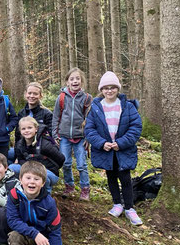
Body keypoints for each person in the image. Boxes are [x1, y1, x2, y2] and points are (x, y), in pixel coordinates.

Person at [85, 71, 143, 225]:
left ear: (118, 89)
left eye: (112, 87)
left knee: (125, 177)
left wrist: (122, 143)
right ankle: (117, 203)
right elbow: (89, 130)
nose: (109, 91)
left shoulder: (128, 106)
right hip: (106, 150)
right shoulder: (96, 108)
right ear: (101, 90)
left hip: (123, 150)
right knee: (111, 177)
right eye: (106, 88)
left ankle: (129, 208)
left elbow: (136, 127)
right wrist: (101, 143)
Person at [5, 161, 64, 245]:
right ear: (21, 179)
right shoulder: (14, 195)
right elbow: (13, 221)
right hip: (27, 236)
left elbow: (55, 232)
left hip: (45, 239)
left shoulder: (49, 203)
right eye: (28, 178)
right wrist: (34, 234)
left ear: (43, 183)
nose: (32, 182)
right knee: (14, 236)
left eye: (36, 179)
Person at [52, 68, 92, 200]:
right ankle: (69, 186)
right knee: (66, 163)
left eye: (77, 79)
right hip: (64, 137)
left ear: (82, 81)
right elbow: (56, 117)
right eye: (72, 79)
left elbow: (90, 120)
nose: (75, 81)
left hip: (80, 138)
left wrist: (88, 137)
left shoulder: (87, 98)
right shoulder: (61, 98)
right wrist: (55, 134)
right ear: (67, 82)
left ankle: (85, 189)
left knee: (82, 165)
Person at [10, 117, 65, 194]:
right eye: (23, 129)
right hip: (30, 170)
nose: (27, 131)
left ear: (36, 129)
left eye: (30, 128)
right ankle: (18, 193)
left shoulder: (45, 144)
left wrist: (45, 167)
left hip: (49, 172)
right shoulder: (19, 145)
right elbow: (20, 159)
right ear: (20, 131)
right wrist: (28, 169)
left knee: (40, 176)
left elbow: (61, 159)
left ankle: (46, 195)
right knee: (12, 168)